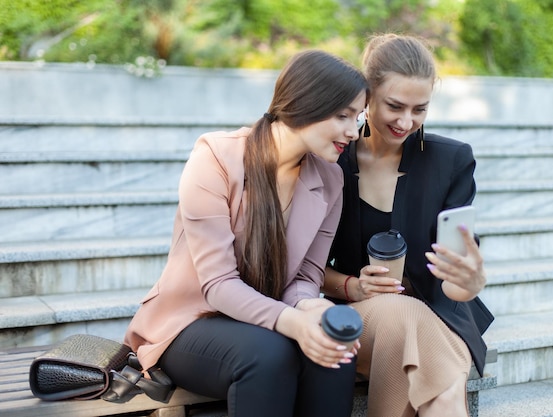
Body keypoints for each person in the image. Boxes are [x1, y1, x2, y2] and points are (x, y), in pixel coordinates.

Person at [124, 50, 368, 417]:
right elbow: (218, 283)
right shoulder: (216, 157)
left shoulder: (330, 178)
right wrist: (293, 321)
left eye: (358, 117)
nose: (354, 131)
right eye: (343, 116)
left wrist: (312, 307)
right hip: (189, 321)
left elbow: (305, 276)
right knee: (269, 353)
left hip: (265, 319)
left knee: (334, 350)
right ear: (305, 103)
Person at [323, 34, 494, 417]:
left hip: (440, 311)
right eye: (395, 106)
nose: (406, 122)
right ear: (366, 95)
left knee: (438, 380)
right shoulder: (332, 159)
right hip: (360, 312)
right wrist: (352, 285)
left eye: (420, 109)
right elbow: (303, 265)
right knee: (426, 357)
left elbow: (452, 275)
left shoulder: (452, 159)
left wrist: (469, 281)